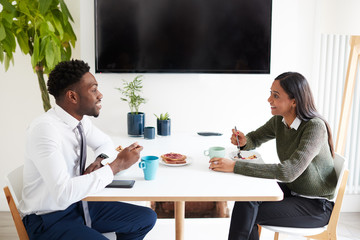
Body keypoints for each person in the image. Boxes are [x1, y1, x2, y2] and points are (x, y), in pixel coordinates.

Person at [19, 59, 157, 240]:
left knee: (146, 218)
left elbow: (105, 143)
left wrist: (100, 160)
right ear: (72, 97)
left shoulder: (79, 121)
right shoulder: (45, 130)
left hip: (76, 205)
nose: (100, 95)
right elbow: (62, 194)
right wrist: (116, 166)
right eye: (93, 90)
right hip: (47, 220)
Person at [209, 72, 337, 240]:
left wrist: (235, 166)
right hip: (293, 191)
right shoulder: (280, 121)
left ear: (294, 101)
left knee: (249, 212)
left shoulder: (314, 127)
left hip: (316, 205)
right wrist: (244, 141)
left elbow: (288, 172)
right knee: (247, 198)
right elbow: (254, 138)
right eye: (270, 93)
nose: (269, 100)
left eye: (275, 96)